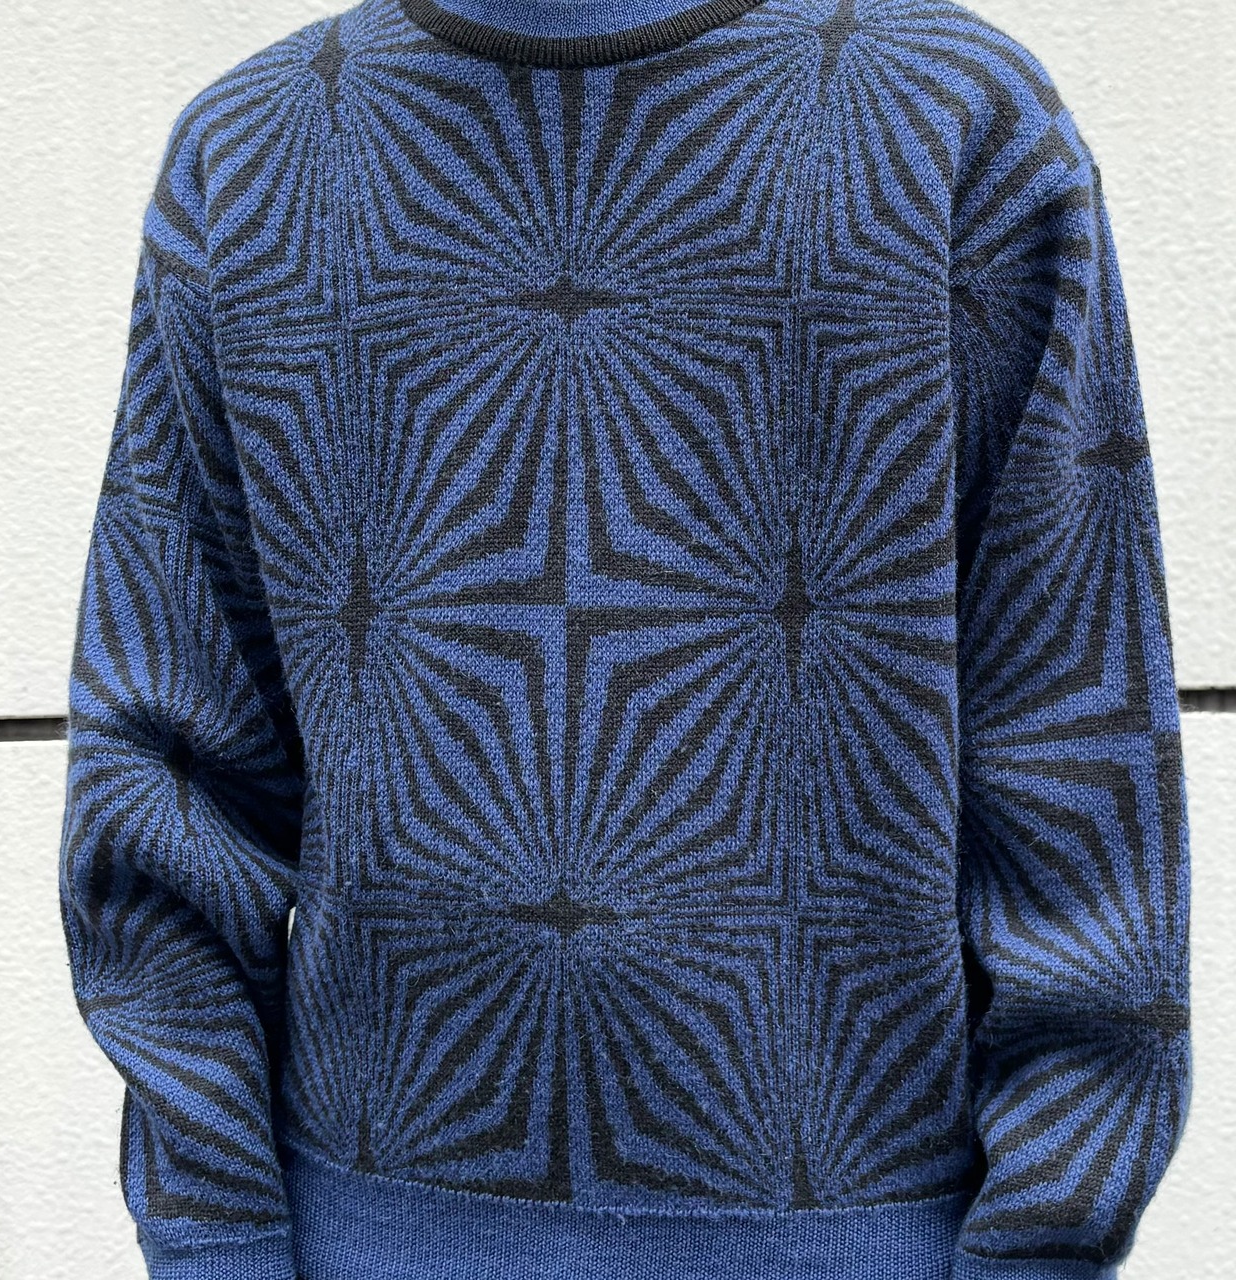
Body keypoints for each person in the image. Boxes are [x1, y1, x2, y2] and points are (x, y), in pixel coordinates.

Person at [58, 0, 1192, 1276]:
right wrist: (217, 1240)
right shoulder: (252, 156)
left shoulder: (953, 128)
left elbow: (1073, 751)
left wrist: (1041, 1240)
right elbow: (171, 770)